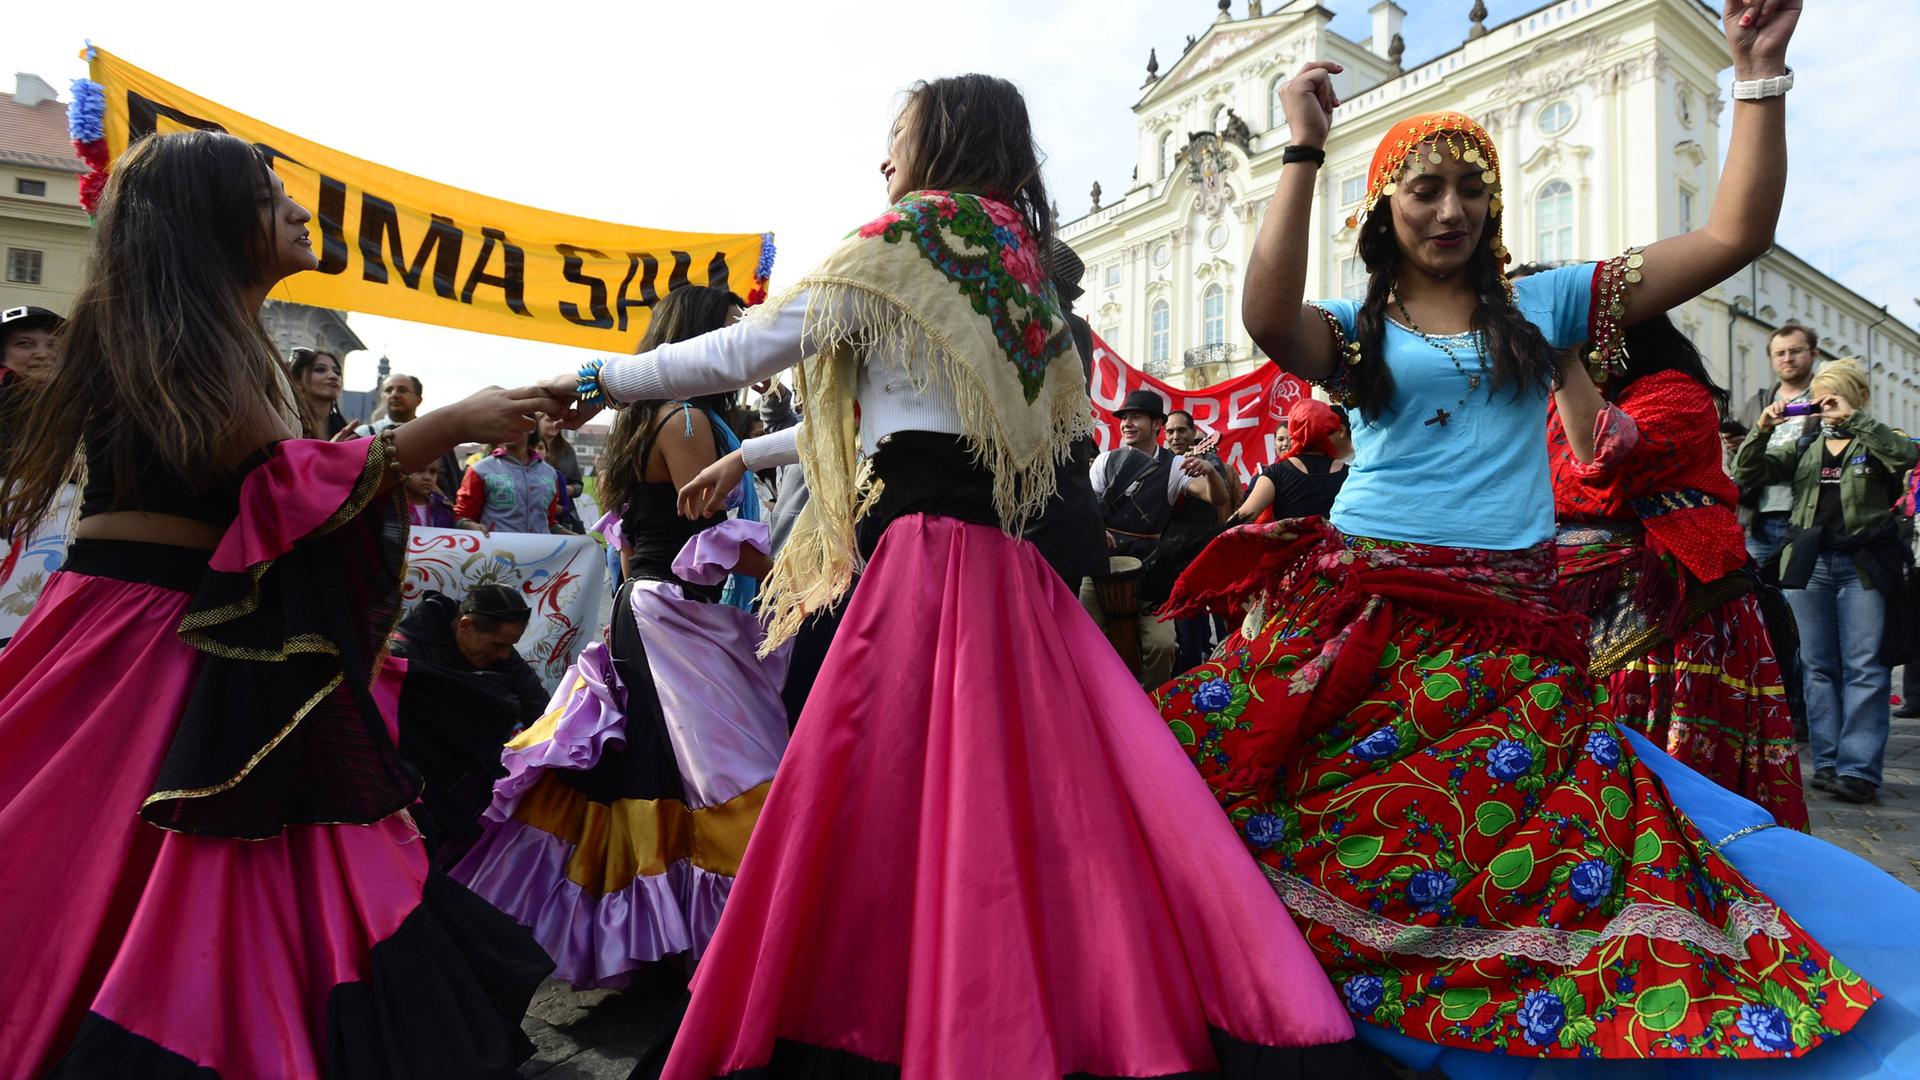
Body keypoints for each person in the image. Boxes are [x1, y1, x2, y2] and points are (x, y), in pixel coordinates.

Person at [545, 73, 1361, 1077]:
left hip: (920, 569)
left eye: (898, 134)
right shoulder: (1017, 264)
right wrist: (749, 459)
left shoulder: (907, 239)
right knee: (1031, 809)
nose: (885, 157)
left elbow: (753, 346)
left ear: (945, 137)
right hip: (1006, 577)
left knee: (882, 805)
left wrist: (593, 377)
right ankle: (1031, 1005)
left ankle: (892, 1015)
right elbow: (899, 406)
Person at [1158, 8, 1918, 1069]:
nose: (1453, 209)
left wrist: (1757, 76)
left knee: (1530, 845)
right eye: (1425, 189)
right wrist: (1300, 150)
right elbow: (1264, 315)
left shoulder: (1542, 306)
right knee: (1242, 800)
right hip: (1361, 606)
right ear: (1384, 208)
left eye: (1472, 189)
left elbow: (1732, 236)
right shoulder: (1359, 325)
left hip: (1509, 617)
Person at [0, 129, 559, 1077]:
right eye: (270, 198)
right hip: (151, 645)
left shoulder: (211, 334)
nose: (298, 212)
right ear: (209, 225)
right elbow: (280, 483)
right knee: (138, 886)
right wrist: (449, 425)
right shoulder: (175, 337)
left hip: (173, 635)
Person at [455, 284, 789, 990]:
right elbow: (714, 530)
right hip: (678, 619)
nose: (737, 342)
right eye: (728, 328)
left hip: (651, 609)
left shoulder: (644, 415)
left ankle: (669, 937)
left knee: (657, 772)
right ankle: (741, 937)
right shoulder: (689, 416)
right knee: (730, 774)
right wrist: (809, 572)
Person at [1549, 313, 1806, 828]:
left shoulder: (1676, 392)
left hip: (1676, 613)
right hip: (1575, 597)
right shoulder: (1563, 398)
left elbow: (1599, 456)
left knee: (1667, 773)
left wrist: (1561, 359)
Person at [1734, 358, 1917, 805]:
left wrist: (1855, 420)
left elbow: (1908, 457)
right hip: (1810, 564)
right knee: (1816, 667)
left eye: (1834, 393)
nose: (1825, 403)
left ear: (1856, 395)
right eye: (1821, 394)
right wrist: (1761, 428)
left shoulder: (1880, 438)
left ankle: (1858, 769)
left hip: (1863, 566)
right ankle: (1829, 762)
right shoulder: (1806, 444)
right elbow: (1747, 473)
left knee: (1866, 667)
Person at [390, 584, 547, 868]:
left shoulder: (496, 651)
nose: (504, 655)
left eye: (510, 646)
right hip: (411, 796)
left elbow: (537, 706)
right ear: (466, 625)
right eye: (498, 645)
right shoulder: (404, 657)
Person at [1084, 388, 1229, 686]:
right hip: (1100, 567)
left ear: (1156, 425)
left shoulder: (1174, 465)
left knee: (1162, 646)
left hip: (1151, 574)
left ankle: (1152, 708)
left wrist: (1211, 473)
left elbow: (1217, 498)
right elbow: (1084, 508)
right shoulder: (1104, 461)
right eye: (1124, 417)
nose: (1126, 423)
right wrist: (1098, 530)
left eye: (1135, 417)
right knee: (1083, 640)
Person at [1737, 324, 1821, 576]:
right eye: (1780, 353)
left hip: (1807, 516)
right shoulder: (1757, 403)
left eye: (1795, 350)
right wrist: (1737, 445)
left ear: (1814, 353)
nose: (1787, 358)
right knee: (1762, 602)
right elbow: (1740, 466)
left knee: (1798, 602)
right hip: (1757, 518)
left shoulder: (1825, 398)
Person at [1229, 396, 1351, 523]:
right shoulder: (1350, 473)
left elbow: (1241, 518)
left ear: (1293, 429)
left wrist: (1217, 536)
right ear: (1327, 428)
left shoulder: (1275, 473)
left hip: (1290, 542)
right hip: (1337, 542)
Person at [455, 424, 562, 534]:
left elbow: (549, 522)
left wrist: (577, 540)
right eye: (503, 424)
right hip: (496, 549)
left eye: (514, 422)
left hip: (543, 550)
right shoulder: (479, 470)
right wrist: (470, 526)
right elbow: (462, 516)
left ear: (531, 427)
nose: (508, 428)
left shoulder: (550, 474)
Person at [288, 345, 350, 437]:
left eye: (337, 372)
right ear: (297, 381)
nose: (333, 376)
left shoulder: (348, 433)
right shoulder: (286, 425)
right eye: (320, 370)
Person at [403, 461, 456, 527]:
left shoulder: (444, 509)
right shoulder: (392, 507)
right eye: (420, 470)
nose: (428, 477)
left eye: (433, 472)